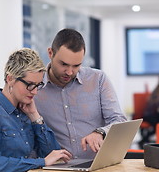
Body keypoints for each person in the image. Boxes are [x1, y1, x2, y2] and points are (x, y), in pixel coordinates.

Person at [35, 28, 127, 159]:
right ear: (50, 53)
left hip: (97, 165)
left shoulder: (98, 79)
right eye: (64, 64)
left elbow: (119, 120)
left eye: (76, 65)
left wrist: (100, 132)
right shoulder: (35, 88)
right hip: (58, 168)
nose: (70, 72)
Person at [140, 75, 159, 147]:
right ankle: (145, 139)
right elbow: (156, 104)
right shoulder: (157, 91)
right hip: (149, 114)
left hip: (157, 113)